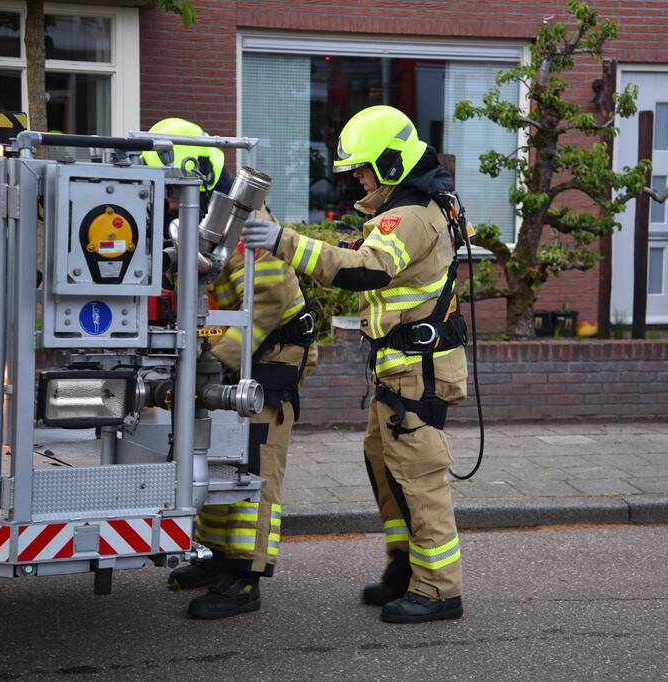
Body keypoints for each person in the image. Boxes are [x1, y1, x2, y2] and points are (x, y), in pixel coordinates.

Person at [241, 105, 468, 624]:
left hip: (416, 371)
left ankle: (438, 590)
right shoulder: (412, 205)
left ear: (390, 163)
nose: (358, 179)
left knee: (418, 478)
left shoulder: (410, 214)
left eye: (364, 169)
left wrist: (284, 242)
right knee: (384, 466)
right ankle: (405, 568)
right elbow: (383, 260)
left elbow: (367, 271)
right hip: (402, 368)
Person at [143, 118, 318, 620]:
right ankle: (217, 558)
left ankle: (245, 578)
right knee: (219, 457)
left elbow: (266, 301)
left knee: (254, 468)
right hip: (232, 358)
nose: (169, 199)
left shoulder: (244, 222)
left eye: (173, 187)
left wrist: (214, 362)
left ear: (195, 174)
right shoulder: (202, 220)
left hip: (269, 361)